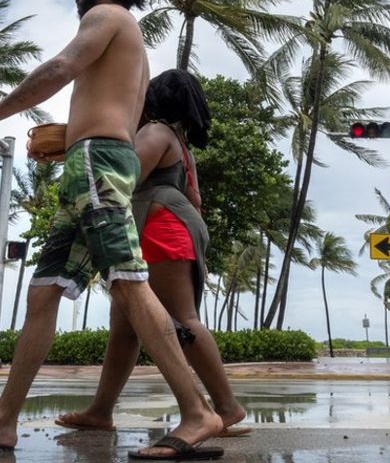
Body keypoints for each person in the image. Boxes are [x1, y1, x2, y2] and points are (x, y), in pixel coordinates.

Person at [0, 0, 224, 460]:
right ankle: (2, 421)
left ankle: (198, 413)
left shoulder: (109, 16)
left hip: (97, 165)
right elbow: (110, 113)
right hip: (89, 164)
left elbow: (62, 66)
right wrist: (69, 140)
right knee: (43, 292)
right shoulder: (129, 42)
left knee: (130, 284)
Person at [53, 69, 249, 437]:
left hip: (160, 231)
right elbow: (196, 200)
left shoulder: (156, 132)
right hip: (168, 229)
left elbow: (122, 177)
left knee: (182, 318)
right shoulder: (180, 145)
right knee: (124, 327)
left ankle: (227, 406)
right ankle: (100, 410)